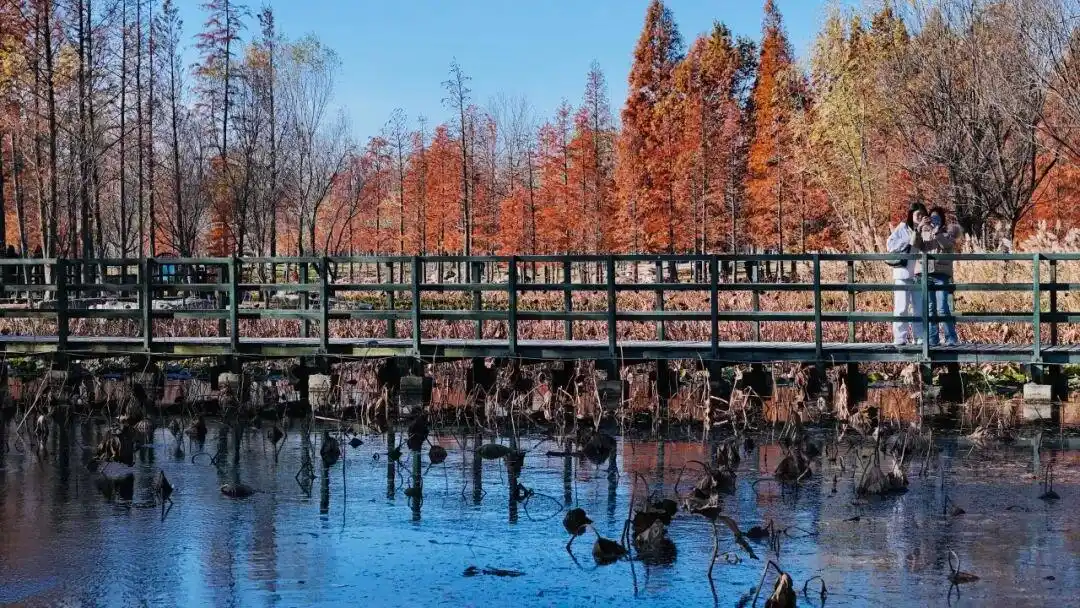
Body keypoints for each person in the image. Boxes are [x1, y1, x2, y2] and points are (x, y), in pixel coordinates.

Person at [910, 206, 962, 346]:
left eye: (937, 217)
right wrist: (919, 228)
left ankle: (951, 338)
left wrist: (937, 231)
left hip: (941, 275)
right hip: (926, 274)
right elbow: (914, 244)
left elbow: (946, 246)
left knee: (942, 307)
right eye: (932, 217)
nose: (934, 219)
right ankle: (933, 339)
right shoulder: (924, 232)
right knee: (931, 308)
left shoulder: (948, 233)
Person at [886, 202, 927, 345]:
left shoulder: (925, 229)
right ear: (911, 214)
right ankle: (899, 339)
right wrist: (908, 241)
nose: (920, 217)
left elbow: (925, 247)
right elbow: (890, 245)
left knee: (919, 309)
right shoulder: (903, 227)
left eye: (923, 214)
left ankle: (920, 337)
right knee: (901, 307)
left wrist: (924, 230)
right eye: (918, 214)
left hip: (917, 274)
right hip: (902, 273)